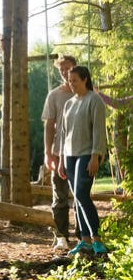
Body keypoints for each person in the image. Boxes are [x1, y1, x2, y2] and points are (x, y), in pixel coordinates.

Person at [58, 66, 108, 255]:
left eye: (75, 81)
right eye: (70, 81)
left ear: (85, 79)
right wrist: (62, 159)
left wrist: (95, 156)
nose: (71, 84)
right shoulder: (69, 103)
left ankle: (97, 240)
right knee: (77, 198)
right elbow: (63, 134)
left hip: (87, 153)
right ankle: (85, 240)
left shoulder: (94, 100)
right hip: (69, 155)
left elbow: (98, 131)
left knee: (81, 194)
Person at [41, 55, 77, 251]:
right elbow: (49, 125)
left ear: (75, 68)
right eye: (61, 69)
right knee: (60, 196)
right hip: (58, 150)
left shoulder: (85, 93)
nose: (64, 72)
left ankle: (83, 236)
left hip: (80, 151)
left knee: (80, 195)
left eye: (67, 68)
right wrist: (48, 152)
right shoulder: (54, 95)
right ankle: (61, 236)